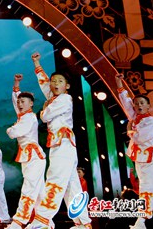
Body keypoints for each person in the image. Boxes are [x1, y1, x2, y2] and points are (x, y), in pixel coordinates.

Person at [27, 52, 91, 229]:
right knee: (72, 186)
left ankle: (42, 220)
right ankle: (83, 223)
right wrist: (37, 63)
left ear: (67, 86)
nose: (55, 84)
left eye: (60, 81)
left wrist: (43, 110)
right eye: (53, 81)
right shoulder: (54, 98)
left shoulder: (65, 99)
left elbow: (45, 116)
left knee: (54, 179)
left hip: (63, 145)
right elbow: (43, 82)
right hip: (61, 145)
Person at [5, 73, 46, 229]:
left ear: (31, 104)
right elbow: (16, 99)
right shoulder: (23, 115)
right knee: (39, 191)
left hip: (34, 157)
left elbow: (14, 132)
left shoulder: (29, 118)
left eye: (23, 102)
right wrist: (16, 84)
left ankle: (19, 221)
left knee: (29, 188)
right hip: (30, 157)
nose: (19, 104)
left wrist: (10, 129)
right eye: (19, 102)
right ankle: (45, 222)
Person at [116, 73, 153, 229]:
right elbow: (126, 103)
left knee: (146, 187)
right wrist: (119, 84)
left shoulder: (151, 121)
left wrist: (130, 131)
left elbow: (140, 138)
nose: (138, 105)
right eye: (136, 103)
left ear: (148, 106)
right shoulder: (135, 118)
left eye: (142, 103)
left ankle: (142, 220)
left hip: (149, 158)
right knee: (152, 189)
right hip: (141, 158)